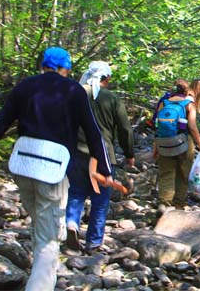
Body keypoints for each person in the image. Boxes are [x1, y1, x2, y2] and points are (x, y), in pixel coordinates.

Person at [0, 47, 112, 291]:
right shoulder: (73, 91)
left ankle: (36, 274)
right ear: (65, 68)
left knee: (40, 224)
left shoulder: (25, 86)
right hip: (52, 170)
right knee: (49, 239)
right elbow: (94, 133)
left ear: (43, 65)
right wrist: (105, 170)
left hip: (22, 167)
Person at [65, 61, 135, 254]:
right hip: (104, 155)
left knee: (76, 193)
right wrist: (129, 154)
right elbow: (125, 129)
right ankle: (94, 242)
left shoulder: (74, 93)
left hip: (76, 152)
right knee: (100, 200)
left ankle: (71, 223)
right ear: (107, 78)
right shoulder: (112, 98)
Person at [154, 78, 200, 210]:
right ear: (186, 90)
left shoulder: (164, 102)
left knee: (166, 172)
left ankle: (164, 203)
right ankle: (179, 203)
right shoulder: (189, 104)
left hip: (164, 141)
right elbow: (192, 127)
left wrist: (156, 145)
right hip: (183, 142)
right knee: (183, 173)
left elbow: (157, 125)